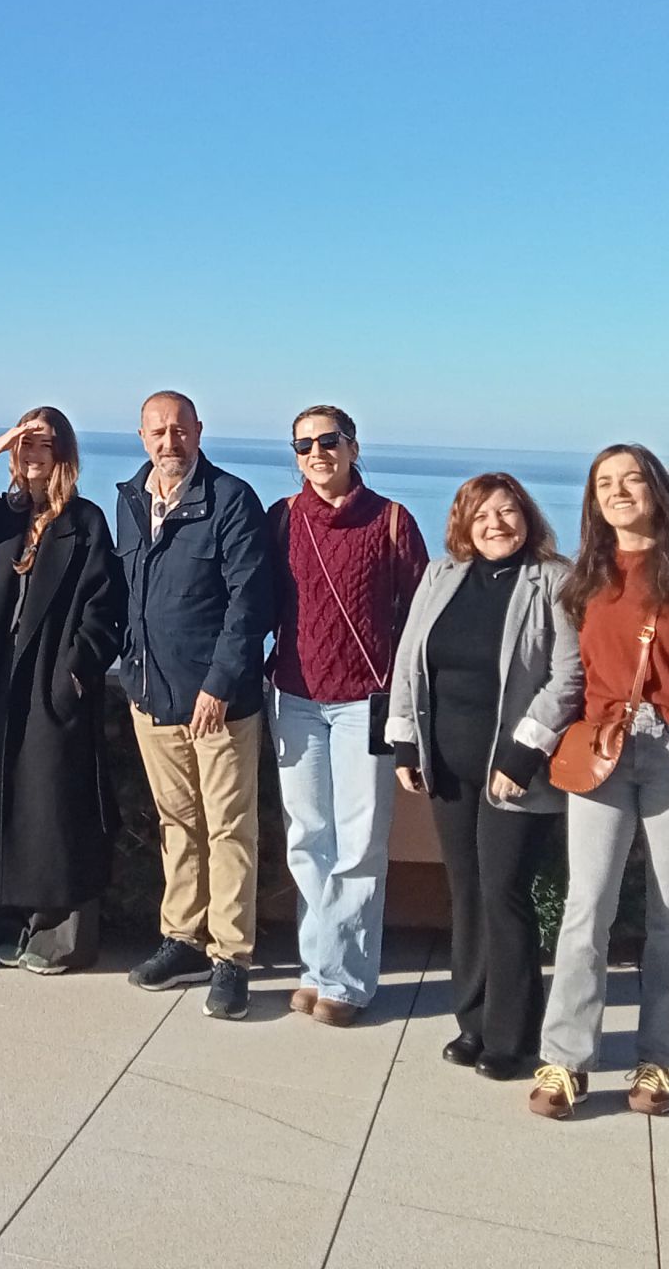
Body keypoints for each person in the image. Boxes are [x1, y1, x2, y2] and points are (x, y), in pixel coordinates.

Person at [529, 444, 669, 1120]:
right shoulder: (587, 577)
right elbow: (570, 671)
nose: (619, 490)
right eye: (605, 482)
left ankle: (658, 1060)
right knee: (587, 905)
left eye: (632, 478)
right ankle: (566, 1061)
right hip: (603, 747)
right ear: (594, 500)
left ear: (658, 489)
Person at [387, 474, 582, 1077]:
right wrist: (405, 743)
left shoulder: (554, 580)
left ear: (527, 516)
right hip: (447, 765)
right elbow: (409, 659)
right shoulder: (440, 576)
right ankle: (472, 1021)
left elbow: (569, 674)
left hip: (515, 770)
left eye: (507, 512)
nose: (496, 525)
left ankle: (512, 1035)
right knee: (467, 890)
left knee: (504, 892)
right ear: (463, 526)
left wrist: (523, 754)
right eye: (482, 516)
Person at [0, 409, 123, 976]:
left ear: (63, 450)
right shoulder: (7, 516)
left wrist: (76, 670)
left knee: (54, 806)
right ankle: (15, 923)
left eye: (42, 442)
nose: (32, 452)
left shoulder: (86, 521)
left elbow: (106, 608)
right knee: (6, 799)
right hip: (1, 676)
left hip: (51, 677)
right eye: (24, 442)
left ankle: (61, 937)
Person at [113, 391, 272, 1016]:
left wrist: (220, 683)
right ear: (142, 436)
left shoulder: (231, 500)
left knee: (229, 828)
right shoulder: (130, 499)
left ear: (199, 431)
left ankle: (231, 957)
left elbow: (249, 602)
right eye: (157, 432)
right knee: (176, 825)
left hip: (219, 704)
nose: (169, 442)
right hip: (151, 697)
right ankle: (182, 938)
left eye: (179, 430)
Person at [269, 404, 429, 1025]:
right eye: (304, 444)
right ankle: (318, 969)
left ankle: (347, 982)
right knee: (307, 839)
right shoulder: (282, 519)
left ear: (353, 447)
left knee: (359, 845)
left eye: (328, 440)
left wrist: (409, 701)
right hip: (294, 697)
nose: (317, 453)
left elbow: (419, 617)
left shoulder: (391, 521)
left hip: (367, 704)